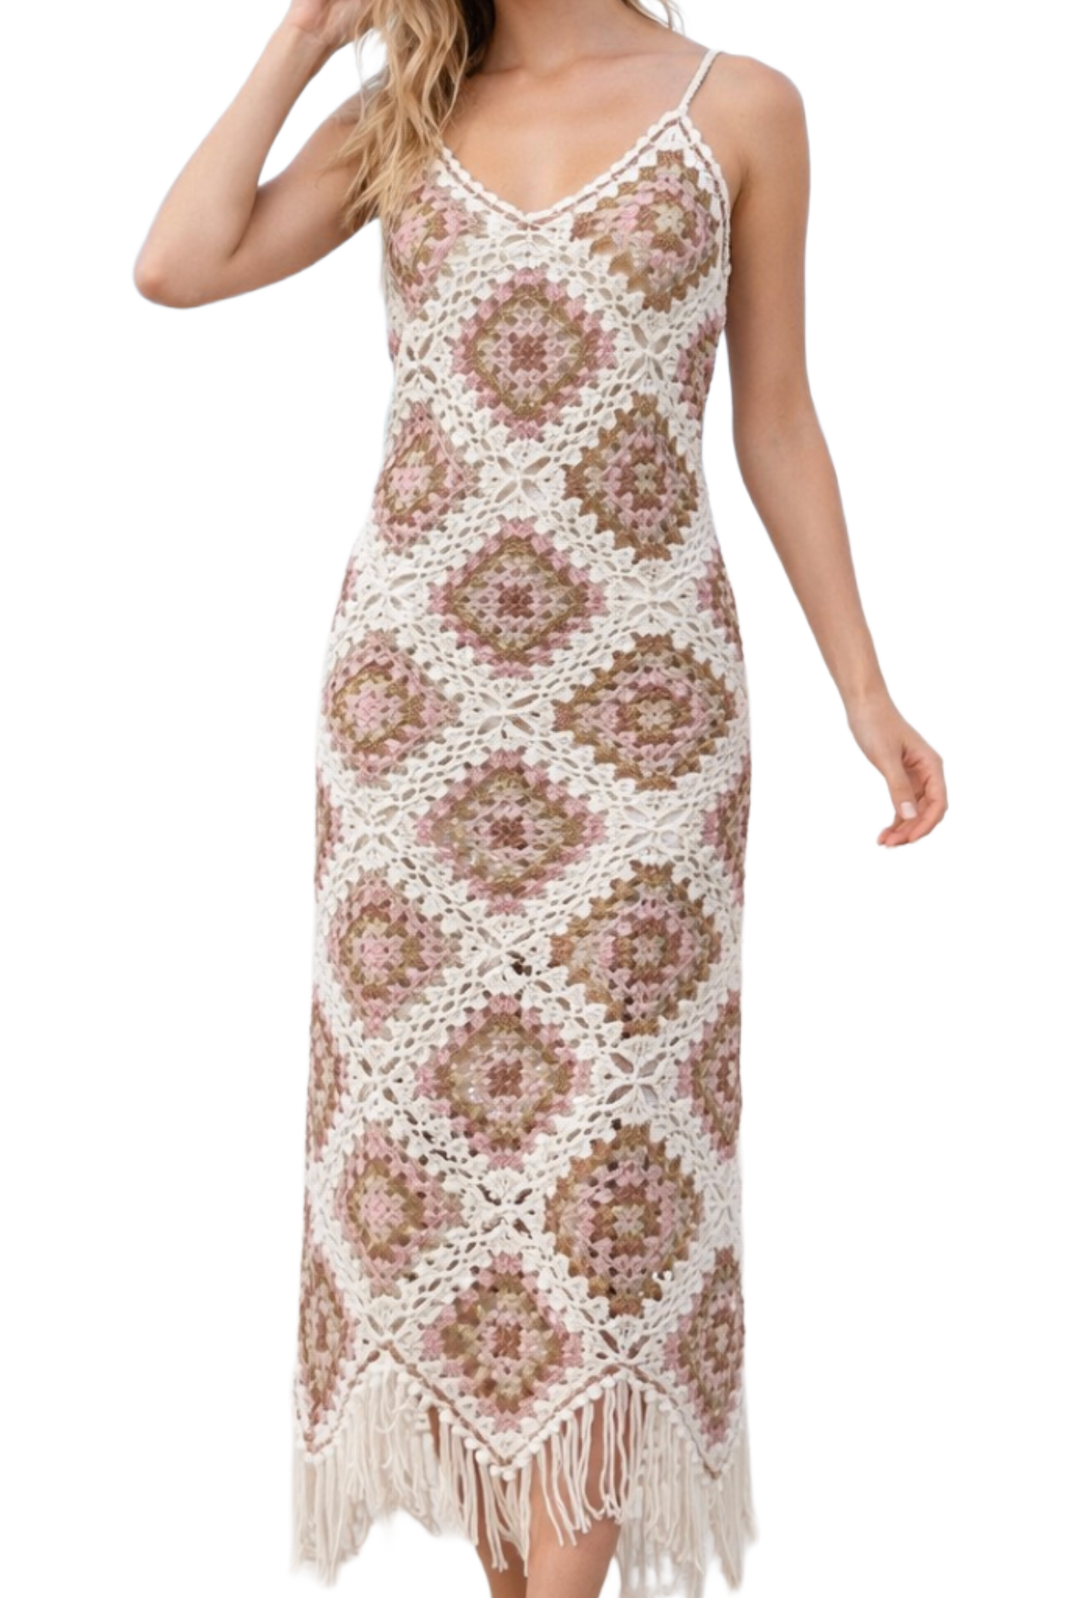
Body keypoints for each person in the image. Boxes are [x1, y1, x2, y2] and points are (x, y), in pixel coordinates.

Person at [131, 3, 951, 1596]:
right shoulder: (402, 113)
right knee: (447, 1191)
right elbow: (176, 265)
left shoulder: (741, 107)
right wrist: (303, 31)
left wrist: (866, 693)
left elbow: (776, 417)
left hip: (644, 727)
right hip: (411, 727)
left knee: (605, 1183)